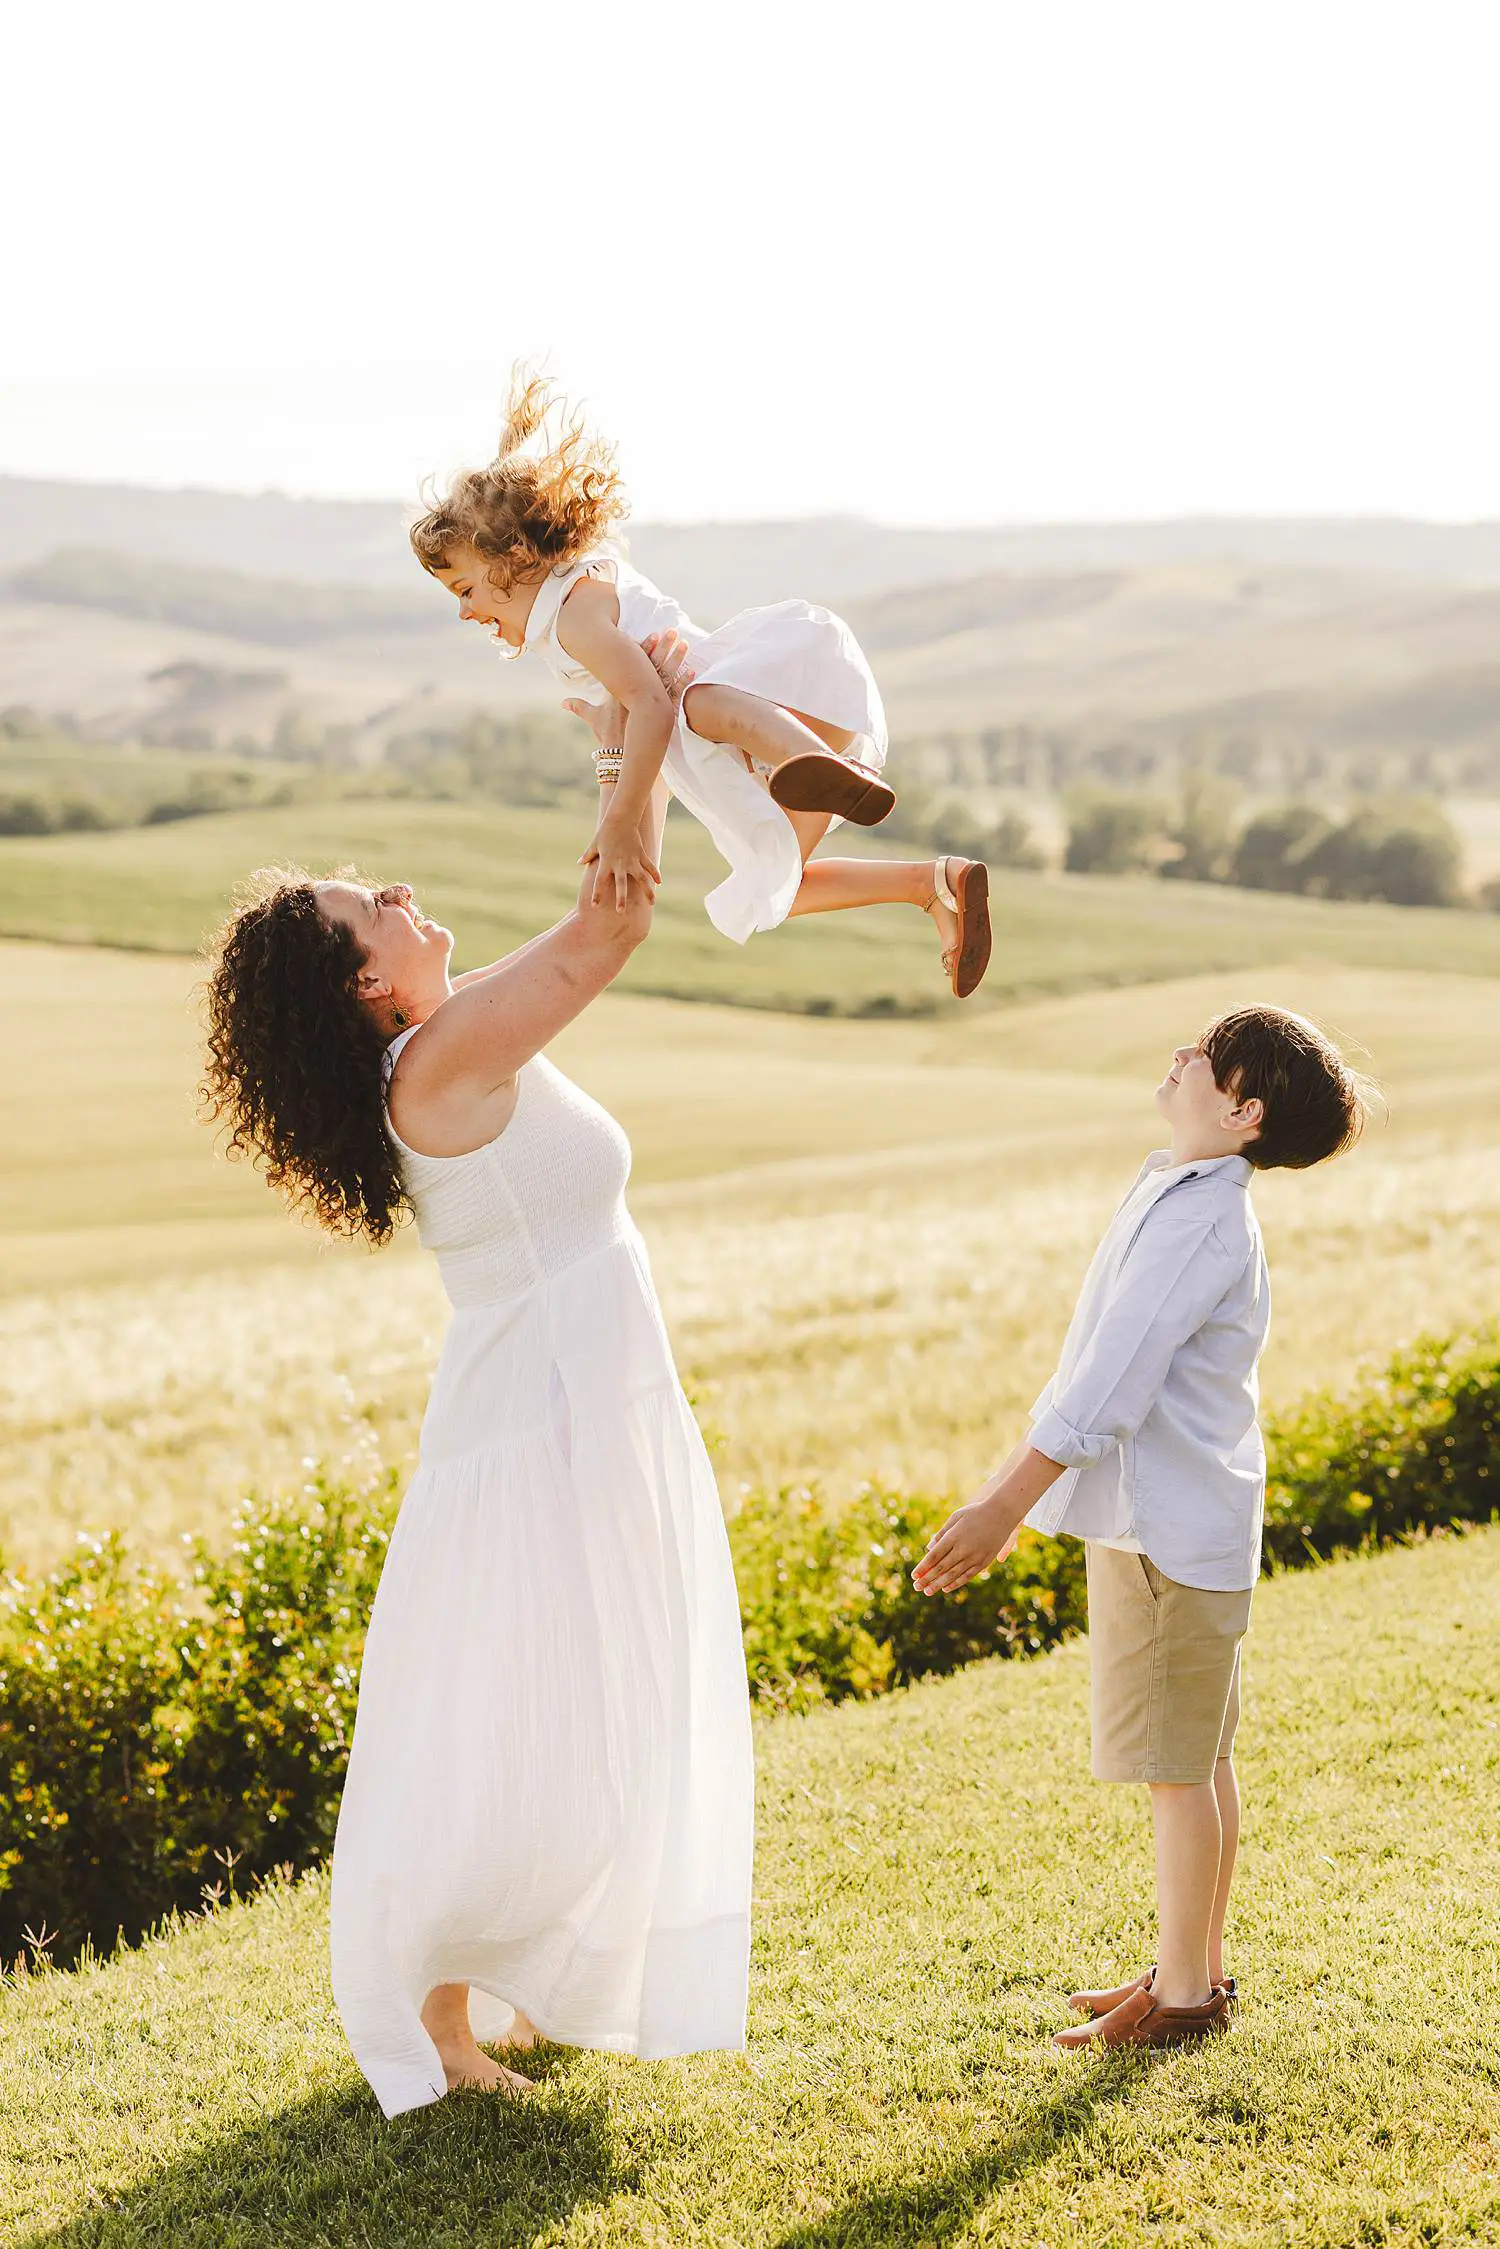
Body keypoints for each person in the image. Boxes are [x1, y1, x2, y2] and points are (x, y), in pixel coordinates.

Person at [200, 839, 753, 2117]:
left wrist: (631, 733)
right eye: (367, 909)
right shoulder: (441, 1059)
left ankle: (505, 1972)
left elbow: (590, 927)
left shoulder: (452, 1031)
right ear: (362, 988)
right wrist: (634, 705)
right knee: (502, 1703)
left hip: (580, 1408)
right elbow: (606, 932)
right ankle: (436, 2010)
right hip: (540, 1425)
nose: (396, 894)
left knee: (581, 1701)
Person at [913, 1006, 1373, 2049]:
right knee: (1200, 1757)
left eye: (1206, 1058)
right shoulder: (1179, 1192)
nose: (1180, 1056)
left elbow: (1107, 1385)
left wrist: (1003, 1503)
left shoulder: (1198, 1220)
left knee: (1180, 1767)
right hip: (1173, 1522)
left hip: (1166, 1532)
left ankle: (1182, 2004)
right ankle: (1188, 1971)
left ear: (1243, 1109)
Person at [409, 369, 992, 999]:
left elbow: (654, 712)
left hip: (759, 708)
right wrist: (637, 846)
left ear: (513, 559)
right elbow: (645, 743)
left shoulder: (575, 616)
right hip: (767, 736)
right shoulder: (574, 609)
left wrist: (619, 821)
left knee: (697, 703)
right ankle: (935, 883)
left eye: (465, 590)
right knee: (774, 887)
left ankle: (812, 761)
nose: (466, 613)